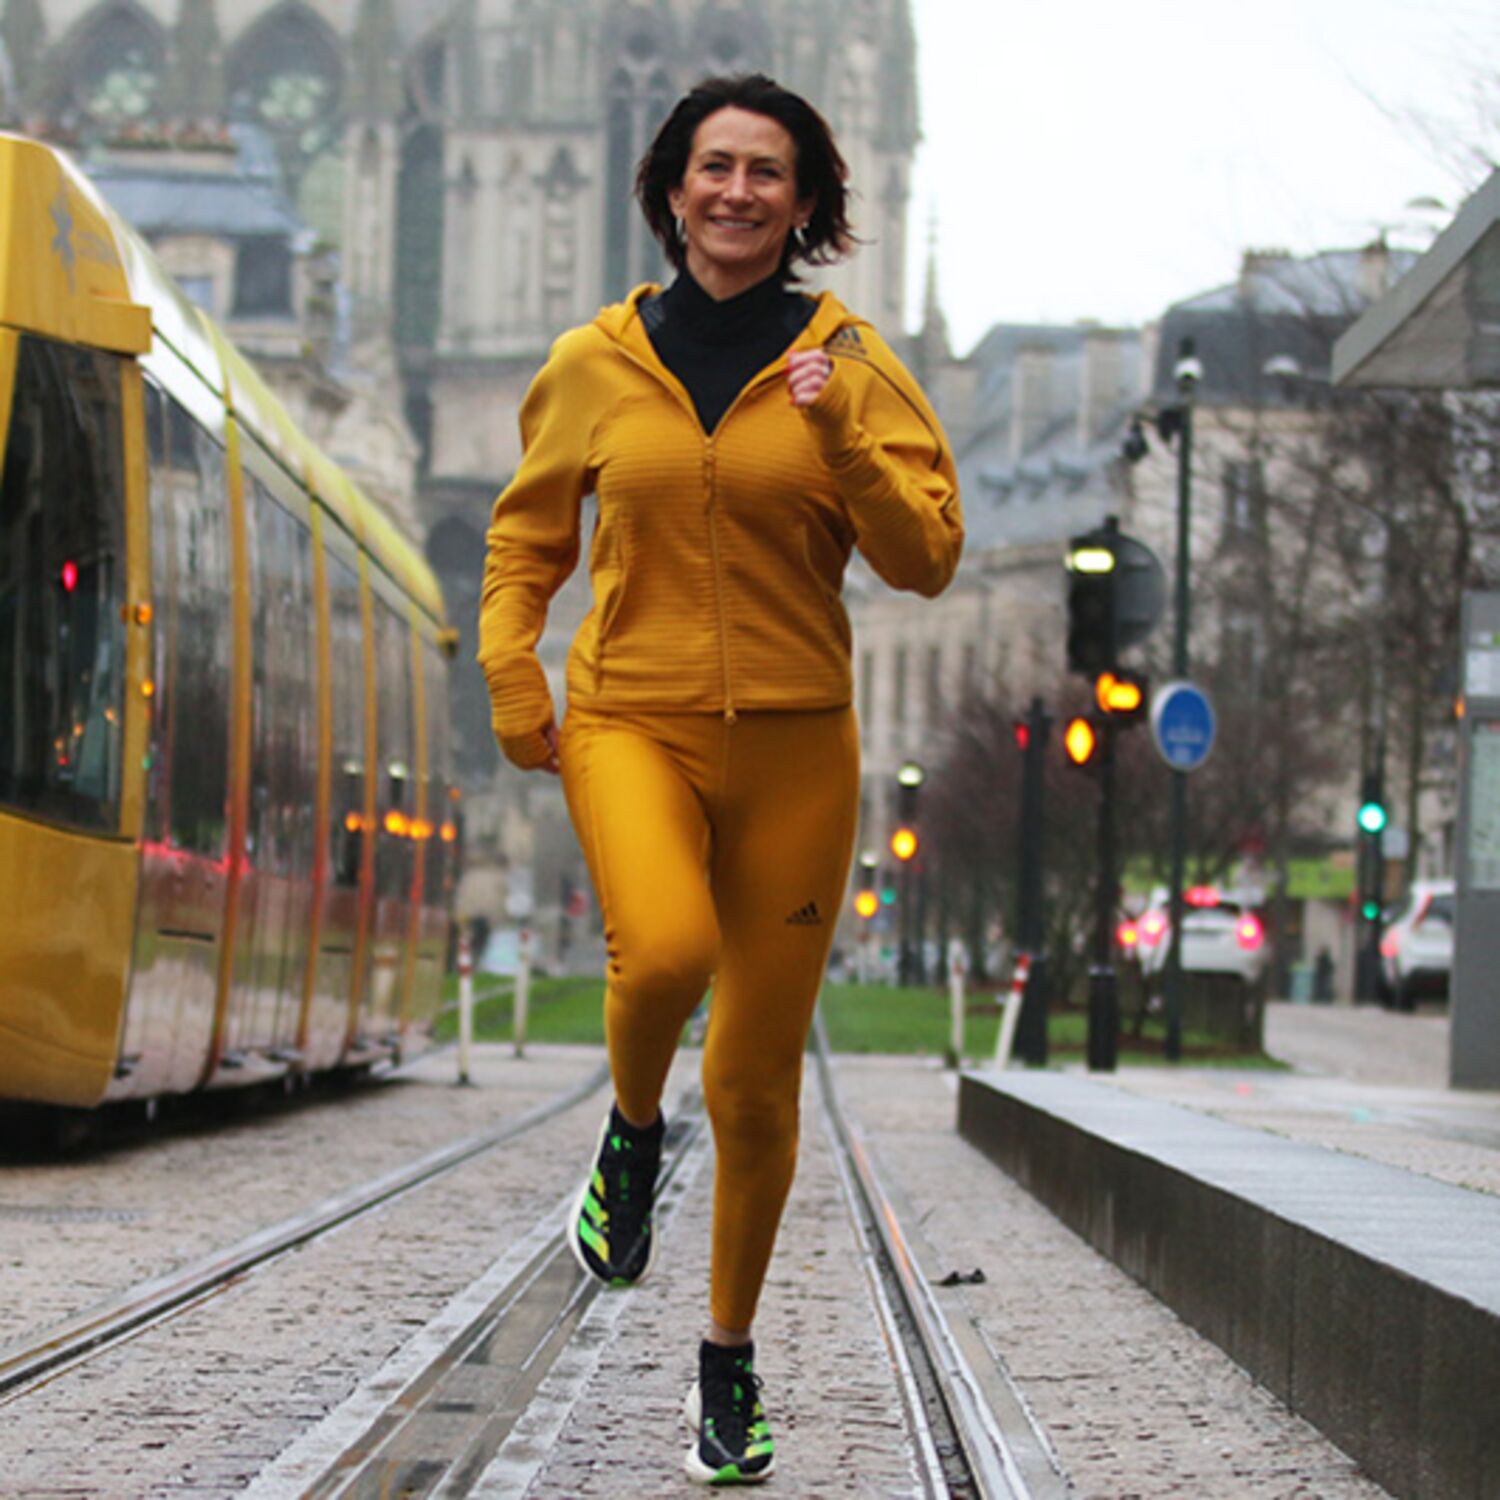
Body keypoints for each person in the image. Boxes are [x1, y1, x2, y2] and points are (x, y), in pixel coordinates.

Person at [478, 72, 962, 1485]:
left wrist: (837, 438)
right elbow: (524, 545)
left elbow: (927, 555)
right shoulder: (591, 362)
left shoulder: (851, 359)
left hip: (802, 743)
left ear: (808, 203)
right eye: (714, 167)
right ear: (671, 188)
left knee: (755, 1086)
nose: (738, 191)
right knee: (665, 952)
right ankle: (629, 1138)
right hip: (632, 717)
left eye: (768, 172)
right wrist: (517, 668)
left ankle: (727, 1367)